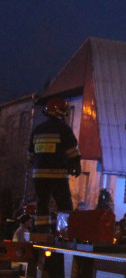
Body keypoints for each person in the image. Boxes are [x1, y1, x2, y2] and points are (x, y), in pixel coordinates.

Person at [27, 97, 81, 236]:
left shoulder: (38, 130)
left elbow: (30, 156)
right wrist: (76, 164)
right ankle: (65, 231)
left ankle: (41, 232)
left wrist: (40, 166)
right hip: (58, 175)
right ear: (61, 112)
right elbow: (72, 151)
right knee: (64, 204)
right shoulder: (63, 129)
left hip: (39, 176)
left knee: (42, 203)